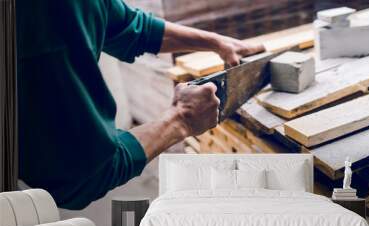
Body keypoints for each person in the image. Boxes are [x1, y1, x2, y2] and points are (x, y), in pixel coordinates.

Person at [17, 0, 264, 209]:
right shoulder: (42, 21)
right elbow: (82, 174)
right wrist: (181, 120)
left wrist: (216, 42)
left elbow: (125, 25)